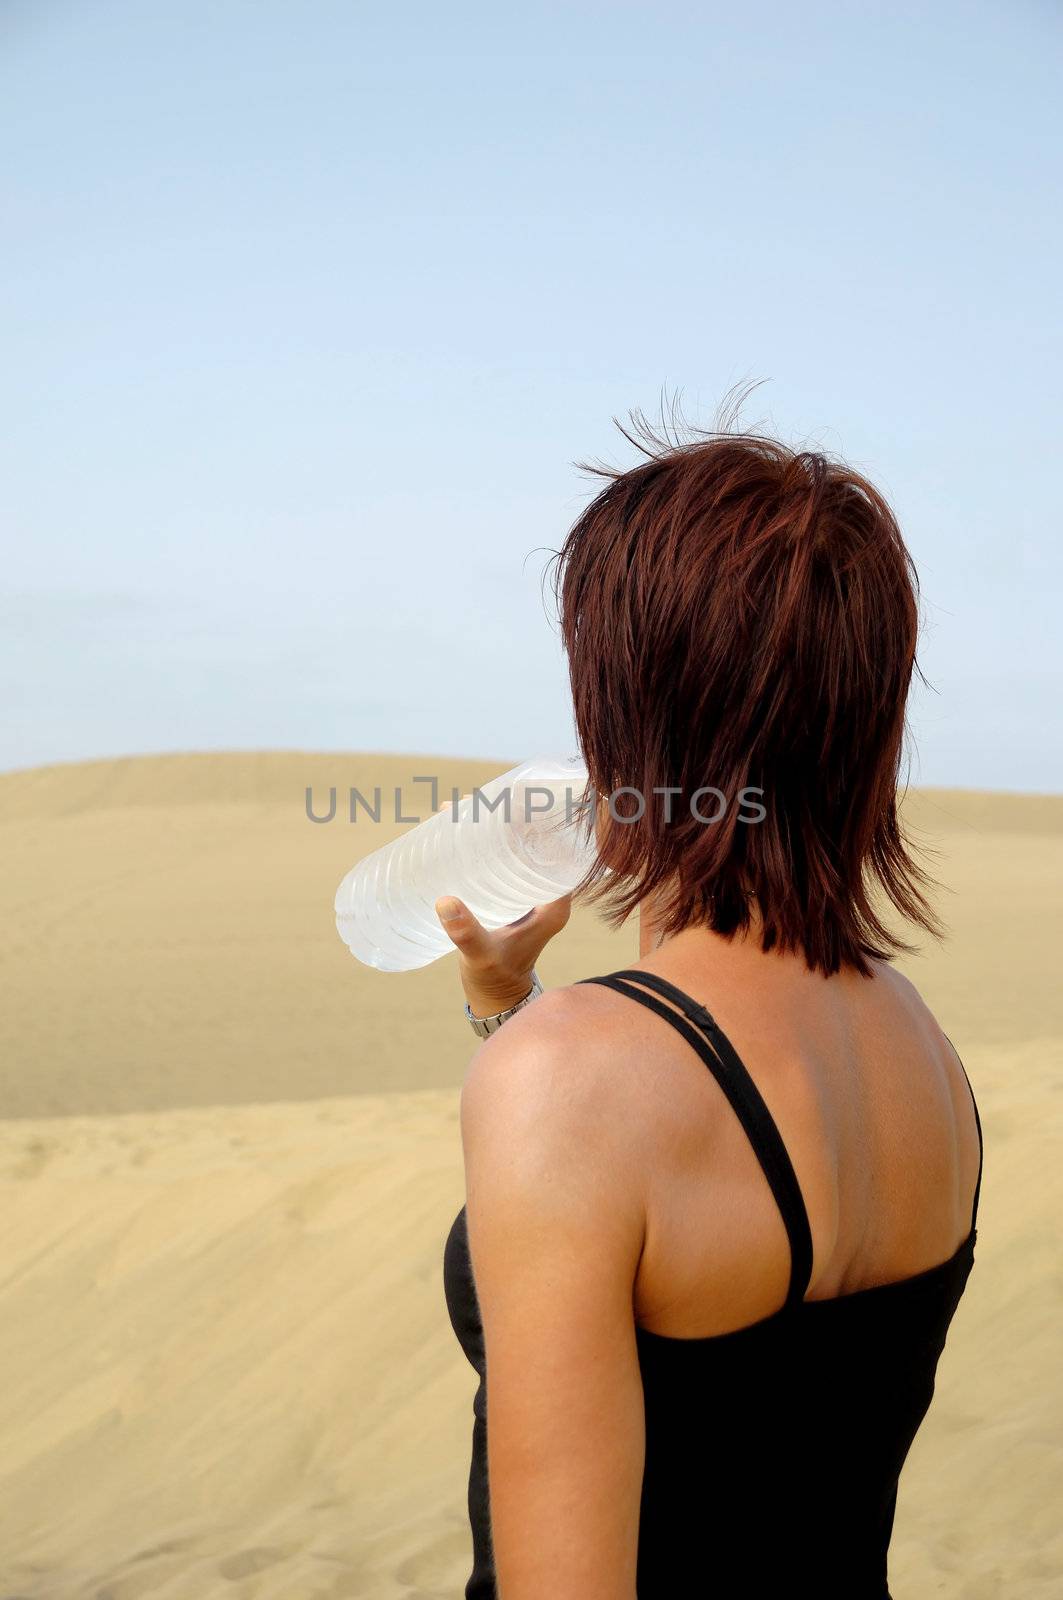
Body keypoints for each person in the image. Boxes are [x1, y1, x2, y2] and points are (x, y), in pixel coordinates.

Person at [437, 417, 983, 1600]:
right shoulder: (923, 1050)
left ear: (627, 707)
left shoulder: (573, 1080)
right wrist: (510, 1005)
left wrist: (529, 1037)